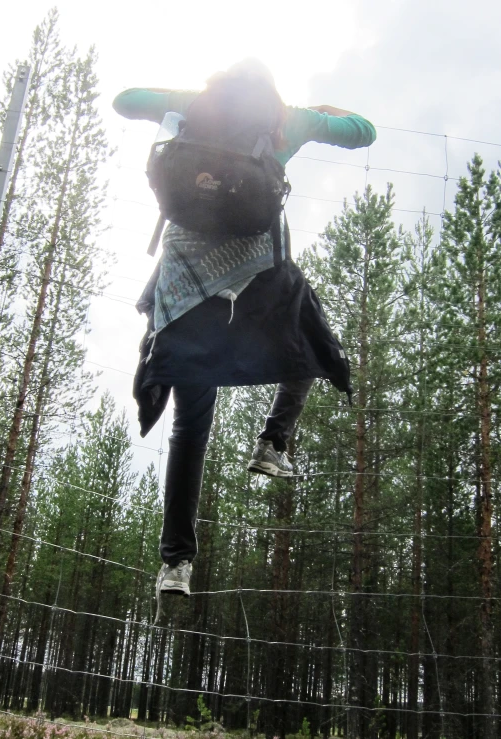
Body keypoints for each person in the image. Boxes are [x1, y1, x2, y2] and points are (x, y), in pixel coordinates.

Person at [113, 59, 376, 598]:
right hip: (256, 281)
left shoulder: (193, 104)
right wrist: (327, 112)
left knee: (191, 428)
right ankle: (273, 441)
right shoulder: (287, 118)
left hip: (185, 288)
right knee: (307, 338)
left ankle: (176, 565)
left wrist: (177, 96)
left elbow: (125, 99)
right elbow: (364, 133)